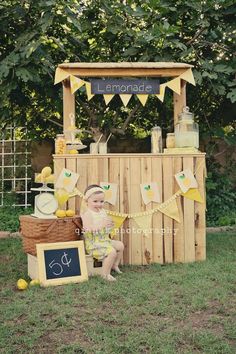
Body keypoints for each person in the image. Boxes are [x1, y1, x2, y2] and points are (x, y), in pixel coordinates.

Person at [81, 184, 124, 282]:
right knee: (112, 252)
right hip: (94, 244)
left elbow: (104, 225)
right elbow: (88, 229)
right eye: (95, 201)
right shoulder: (87, 214)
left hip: (104, 240)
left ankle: (114, 265)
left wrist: (109, 225)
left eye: (101, 201)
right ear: (87, 201)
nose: (99, 204)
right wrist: (101, 225)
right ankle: (105, 274)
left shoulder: (102, 212)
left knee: (120, 246)